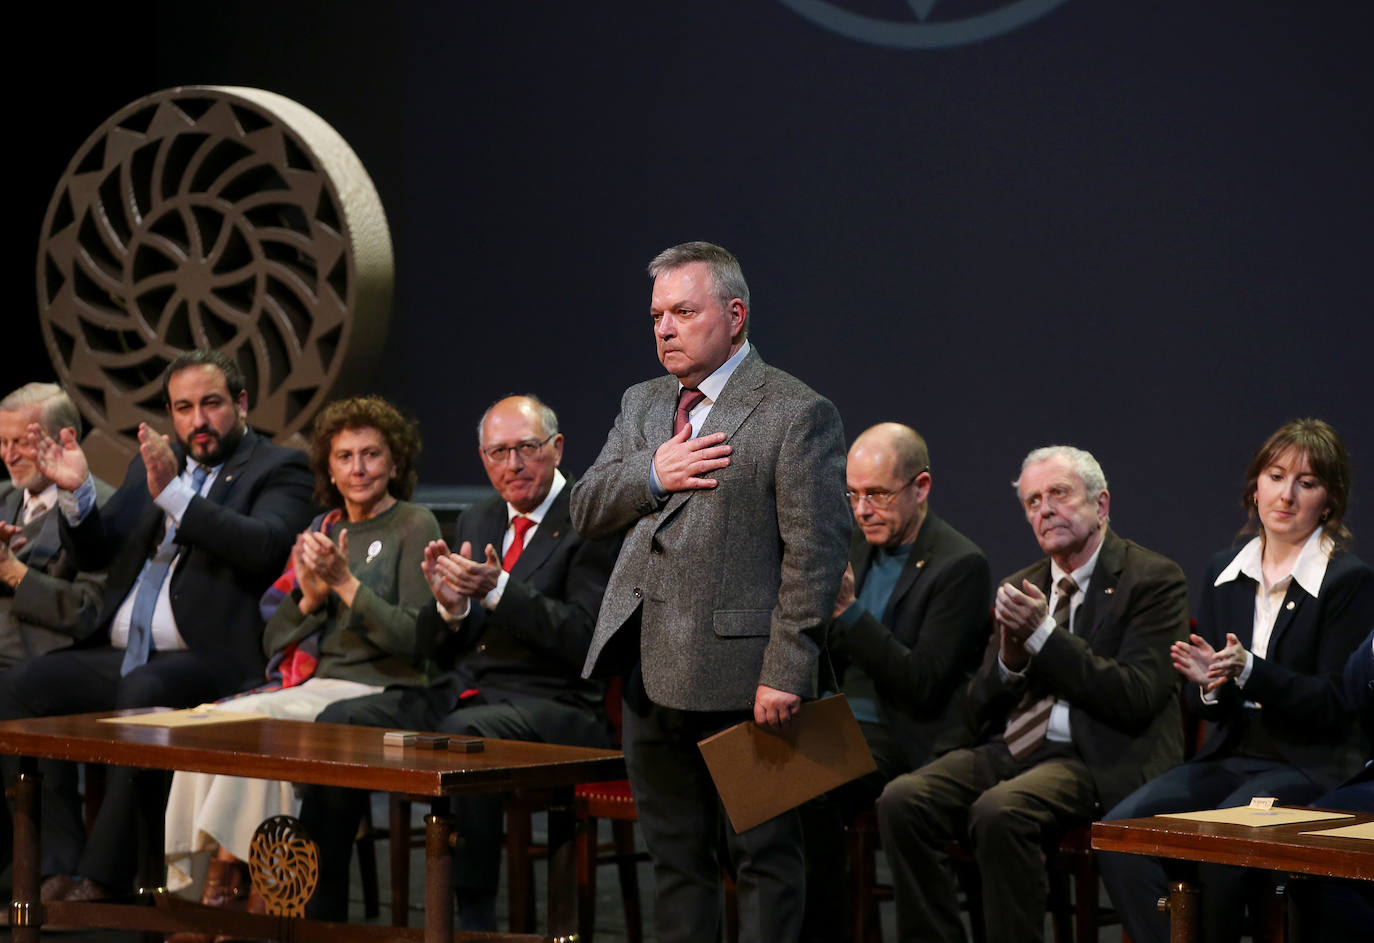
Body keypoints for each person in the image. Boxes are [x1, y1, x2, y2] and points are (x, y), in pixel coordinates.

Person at [571, 242, 851, 943]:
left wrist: (787, 669)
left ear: (734, 314)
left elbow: (814, 555)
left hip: (742, 678)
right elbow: (585, 507)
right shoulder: (644, 403)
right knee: (675, 859)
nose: (665, 327)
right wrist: (653, 472)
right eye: (657, 314)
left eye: (683, 311)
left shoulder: (795, 411)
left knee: (764, 857)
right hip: (647, 669)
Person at [0, 349, 315, 901]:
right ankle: (54, 861)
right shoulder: (151, 464)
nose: (198, 420)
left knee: (143, 689)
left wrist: (175, 494)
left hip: (208, 659)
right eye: (184, 407)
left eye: (211, 404)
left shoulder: (278, 468)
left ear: (240, 404)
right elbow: (101, 550)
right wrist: (77, 496)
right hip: (124, 650)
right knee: (18, 689)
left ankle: (104, 876)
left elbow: (261, 546)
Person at [298, 394, 619, 929]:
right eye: (497, 453)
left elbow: (587, 640)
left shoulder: (590, 517)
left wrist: (500, 590)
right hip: (468, 692)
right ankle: (319, 915)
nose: (512, 465)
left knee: (461, 736)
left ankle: (470, 920)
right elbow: (439, 644)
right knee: (339, 725)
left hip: (557, 704)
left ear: (557, 448)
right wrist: (450, 609)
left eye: (526, 449)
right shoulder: (480, 515)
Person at [876, 444, 1189, 943]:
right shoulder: (1022, 586)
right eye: (1033, 501)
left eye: (1059, 494)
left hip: (1098, 754)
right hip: (1016, 748)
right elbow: (976, 710)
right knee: (903, 799)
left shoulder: (1151, 579)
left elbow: (1135, 696)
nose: (1045, 509)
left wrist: (1043, 636)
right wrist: (1009, 661)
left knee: (1001, 811)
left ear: (1101, 505)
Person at [159, 395, 438, 930]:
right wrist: (308, 597)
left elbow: (413, 638)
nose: (358, 469)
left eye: (371, 455)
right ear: (329, 469)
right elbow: (275, 643)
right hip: (320, 681)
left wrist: (345, 584)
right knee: (205, 723)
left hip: (381, 689)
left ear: (395, 463)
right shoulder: (323, 528)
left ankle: (252, 899)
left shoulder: (414, 523)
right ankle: (208, 890)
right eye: (344, 457)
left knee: (268, 730)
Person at [1099, 418, 1374, 943]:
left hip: (1306, 762)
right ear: (1255, 485)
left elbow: (1337, 701)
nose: (1286, 495)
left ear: (1329, 501)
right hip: (1229, 756)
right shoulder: (1224, 570)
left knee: (1219, 844)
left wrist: (1250, 671)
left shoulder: (1348, 580)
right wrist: (1210, 686)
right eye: (1275, 476)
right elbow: (1209, 705)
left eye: (1307, 483)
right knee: (1122, 834)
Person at [802, 422, 990, 940]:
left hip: (906, 733)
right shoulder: (857, 550)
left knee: (799, 792)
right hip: (841, 725)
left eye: (878, 495)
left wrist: (848, 611)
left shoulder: (959, 565)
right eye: (854, 494)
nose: (862, 510)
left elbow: (923, 681)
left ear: (921, 487)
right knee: (740, 776)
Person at [0, 383, 113, 666]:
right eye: (3, 442)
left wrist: (12, 571)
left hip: (37, 659)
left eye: (23, 443)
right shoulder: (2, 496)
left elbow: (90, 612)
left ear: (65, 438)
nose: (9, 456)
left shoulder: (101, 509)